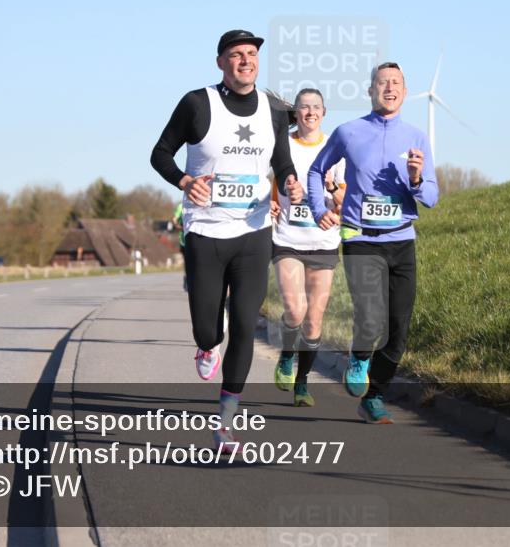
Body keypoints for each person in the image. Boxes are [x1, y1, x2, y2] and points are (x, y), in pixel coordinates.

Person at [150, 29, 303, 451]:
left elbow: (282, 160)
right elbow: (159, 153)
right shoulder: (197, 103)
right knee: (207, 327)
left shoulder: (273, 110)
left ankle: (225, 423)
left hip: (254, 231)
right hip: (205, 231)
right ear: (221, 62)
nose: (245, 61)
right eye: (236, 55)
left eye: (251, 54)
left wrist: (290, 182)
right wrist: (184, 180)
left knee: (244, 327)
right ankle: (204, 347)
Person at [307, 62, 439, 424]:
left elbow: (431, 196)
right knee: (370, 317)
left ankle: (374, 397)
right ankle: (359, 357)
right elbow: (317, 170)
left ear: (406, 92)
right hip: (360, 238)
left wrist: (415, 178)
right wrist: (319, 207)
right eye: (382, 83)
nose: (389, 88)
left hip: (401, 242)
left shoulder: (416, 137)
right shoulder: (348, 132)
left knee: (398, 331)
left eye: (396, 82)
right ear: (370, 91)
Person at [269, 88, 345, 407]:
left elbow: (345, 200)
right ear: (295, 113)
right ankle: (286, 356)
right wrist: (270, 204)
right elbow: (266, 182)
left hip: (324, 242)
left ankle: (302, 384)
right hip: (287, 240)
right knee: (295, 311)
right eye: (304, 107)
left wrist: (331, 189)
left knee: (314, 320)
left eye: (316, 107)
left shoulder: (336, 148)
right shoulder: (281, 144)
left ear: (324, 113)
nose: (310, 112)